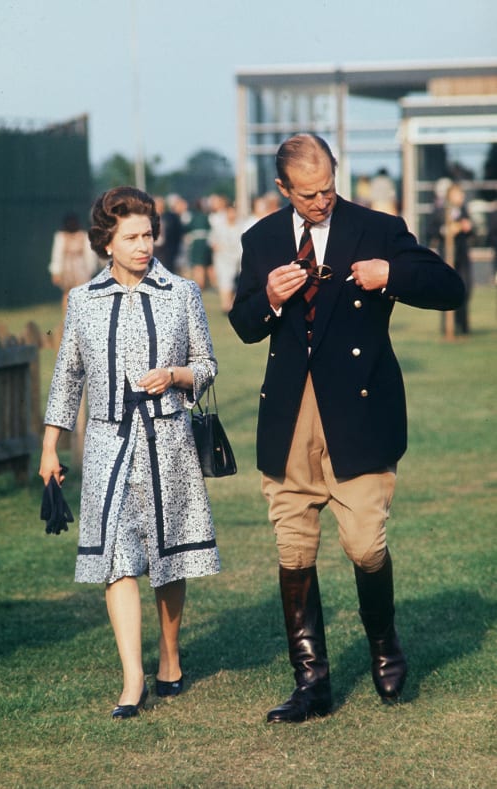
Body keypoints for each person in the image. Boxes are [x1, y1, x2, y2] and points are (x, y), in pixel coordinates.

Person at [228, 133, 465, 724]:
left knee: (364, 544)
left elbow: (451, 288)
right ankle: (312, 684)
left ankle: (384, 645)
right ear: (283, 188)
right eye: (308, 194)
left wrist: (393, 274)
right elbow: (242, 323)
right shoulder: (259, 240)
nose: (321, 201)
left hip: (359, 414)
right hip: (289, 416)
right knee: (293, 547)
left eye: (328, 187)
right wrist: (269, 300)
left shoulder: (378, 227)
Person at [39, 187, 220, 719]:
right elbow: (67, 379)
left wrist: (175, 376)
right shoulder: (83, 301)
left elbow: (206, 365)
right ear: (107, 242)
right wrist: (50, 447)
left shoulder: (182, 292)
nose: (145, 246)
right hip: (105, 445)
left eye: (149, 235)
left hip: (168, 440)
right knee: (117, 557)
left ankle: (169, 655)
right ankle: (132, 678)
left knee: (169, 555)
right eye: (133, 237)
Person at [428, 182, 473, 334]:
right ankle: (447, 328)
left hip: (462, 256)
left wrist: (467, 227)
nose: (462, 197)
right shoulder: (440, 211)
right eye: (459, 194)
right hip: (446, 257)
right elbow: (431, 230)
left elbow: (472, 232)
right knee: (446, 290)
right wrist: (446, 230)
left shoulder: (463, 211)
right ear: (450, 195)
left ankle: (463, 326)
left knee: (466, 289)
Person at [48, 212, 99, 314]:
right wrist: (56, 272)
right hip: (67, 269)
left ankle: (83, 316)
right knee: (67, 293)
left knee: (83, 293)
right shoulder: (61, 237)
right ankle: (66, 318)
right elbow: (57, 255)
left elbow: (89, 255)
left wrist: (89, 270)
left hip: (81, 268)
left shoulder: (83, 236)